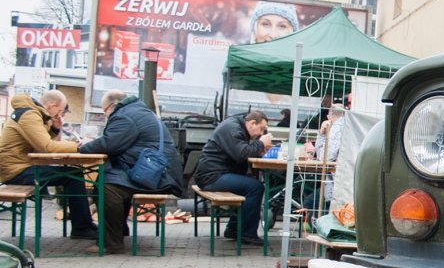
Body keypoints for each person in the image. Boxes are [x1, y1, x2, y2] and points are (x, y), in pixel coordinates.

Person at [77, 90, 184, 255]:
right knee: (110, 181)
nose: (105, 115)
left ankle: (111, 243)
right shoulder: (135, 111)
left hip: (155, 176)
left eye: (104, 110)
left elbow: (109, 144)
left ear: (113, 105)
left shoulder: (124, 116)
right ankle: (117, 231)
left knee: (107, 188)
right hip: (156, 171)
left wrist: (82, 147)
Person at [0, 90, 98, 239]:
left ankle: (85, 224)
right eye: (60, 112)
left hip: (20, 167)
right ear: (52, 106)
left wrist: (55, 128)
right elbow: (47, 147)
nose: (59, 116)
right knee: (74, 176)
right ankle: (82, 227)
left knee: (74, 174)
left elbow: (47, 145)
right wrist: (79, 147)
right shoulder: (29, 115)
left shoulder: (34, 114)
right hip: (15, 171)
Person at [192, 110, 273, 245]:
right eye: (261, 128)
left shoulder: (236, 126)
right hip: (212, 176)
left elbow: (240, 152)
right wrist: (260, 144)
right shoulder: (233, 129)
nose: (261, 133)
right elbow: (241, 153)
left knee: (249, 186)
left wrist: (258, 150)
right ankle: (246, 233)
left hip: (215, 173)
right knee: (255, 187)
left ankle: (233, 229)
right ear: (252, 123)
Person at [305, 105, 344, 209]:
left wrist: (321, 134)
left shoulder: (337, 128)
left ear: (328, 117)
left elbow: (324, 158)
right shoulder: (346, 125)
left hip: (335, 185)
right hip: (342, 182)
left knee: (310, 202)